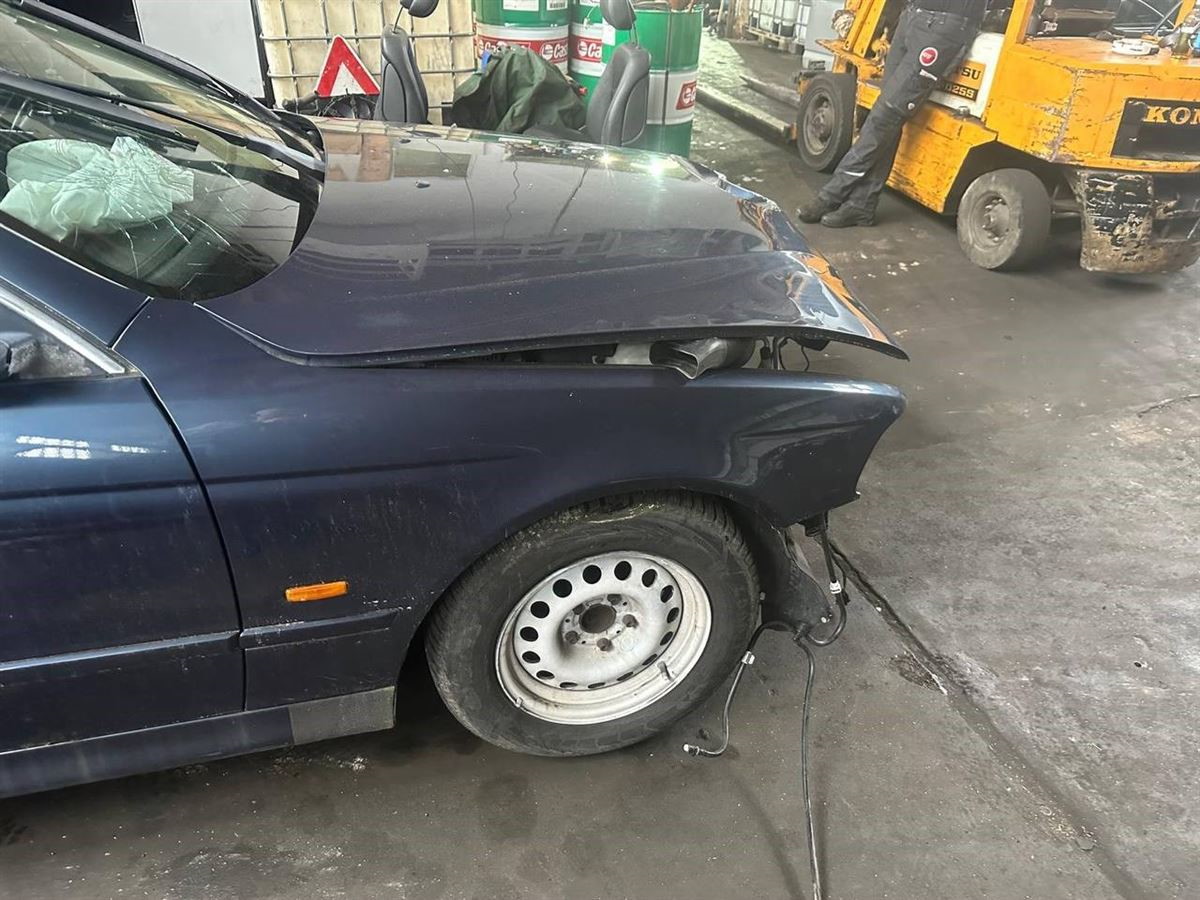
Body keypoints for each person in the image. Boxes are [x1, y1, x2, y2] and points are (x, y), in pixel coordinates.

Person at [797, 0, 987, 228]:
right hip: (911, 16)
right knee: (888, 119)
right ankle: (861, 205)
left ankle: (830, 195)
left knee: (885, 114)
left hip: (944, 25)